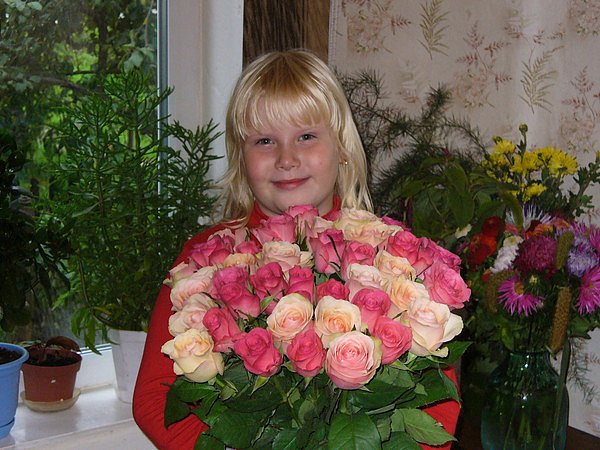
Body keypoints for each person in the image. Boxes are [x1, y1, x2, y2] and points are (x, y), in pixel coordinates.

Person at [133, 49, 460, 450]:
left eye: (306, 136)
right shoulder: (203, 262)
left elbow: (439, 402)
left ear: (341, 148)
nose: (286, 159)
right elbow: (154, 399)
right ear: (241, 157)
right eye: (265, 141)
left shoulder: (394, 257)